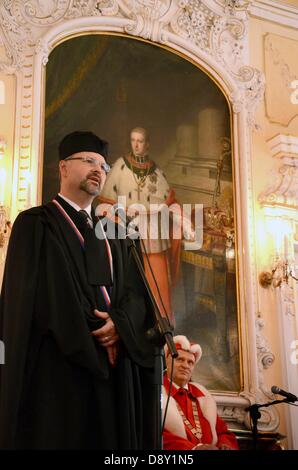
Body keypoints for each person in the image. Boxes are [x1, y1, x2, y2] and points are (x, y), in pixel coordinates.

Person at [0, 131, 157, 449]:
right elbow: (39, 298)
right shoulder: (35, 224)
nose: (99, 168)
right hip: (58, 375)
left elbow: (137, 294)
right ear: (63, 167)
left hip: (114, 377)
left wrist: (121, 325)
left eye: (103, 163)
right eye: (88, 161)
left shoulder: (117, 232)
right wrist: (96, 334)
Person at [98, 127, 186, 325]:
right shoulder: (119, 166)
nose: (136, 145)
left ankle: (161, 329)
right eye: (133, 140)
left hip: (153, 236)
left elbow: (169, 201)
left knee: (158, 287)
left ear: (148, 144)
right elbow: (105, 202)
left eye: (140, 141)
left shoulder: (157, 171)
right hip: (126, 235)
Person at [163, 335, 238, 450]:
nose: (185, 366)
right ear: (167, 362)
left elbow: (223, 432)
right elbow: (155, 435)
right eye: (180, 359)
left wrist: (226, 445)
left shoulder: (203, 396)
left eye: (190, 362)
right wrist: (193, 449)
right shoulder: (156, 394)